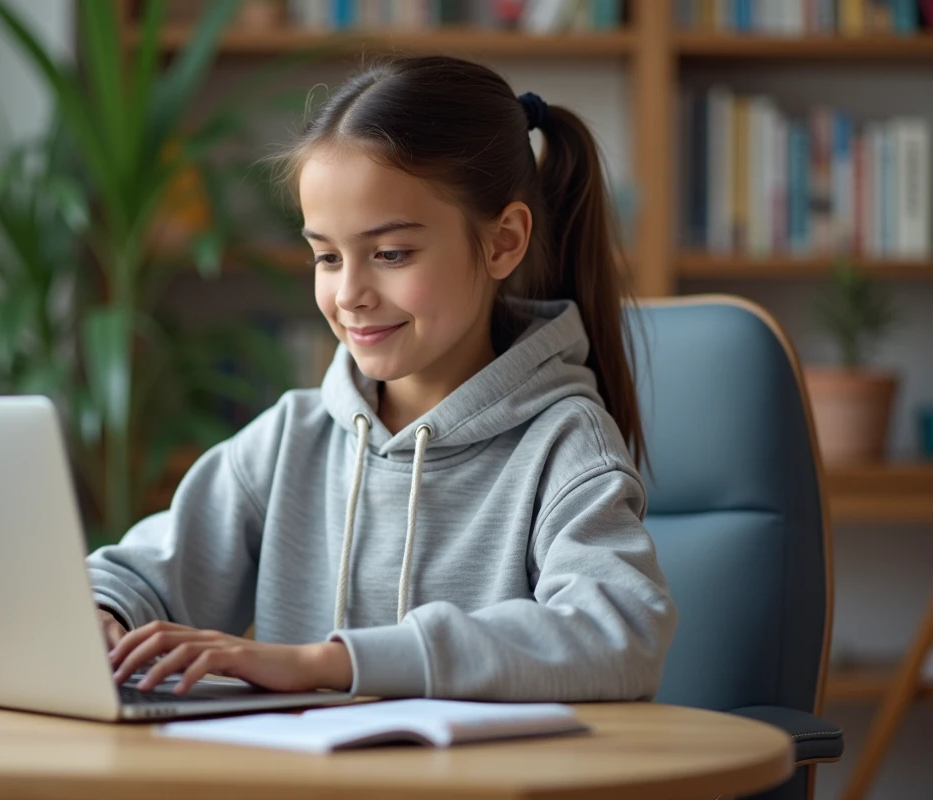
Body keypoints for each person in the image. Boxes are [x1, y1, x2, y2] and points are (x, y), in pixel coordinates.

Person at [89, 55, 677, 701]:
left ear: (503, 241)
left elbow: (619, 634)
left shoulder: (566, 445)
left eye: (391, 254)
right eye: (327, 257)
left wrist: (331, 664)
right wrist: (104, 614)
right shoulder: (294, 437)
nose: (350, 294)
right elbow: (140, 576)